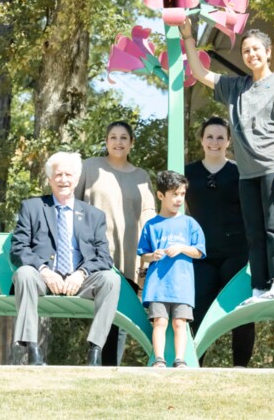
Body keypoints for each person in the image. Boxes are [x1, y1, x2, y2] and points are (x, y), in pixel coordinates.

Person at [180, 19, 274, 301]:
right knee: (254, 232)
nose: (251, 54)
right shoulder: (235, 87)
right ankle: (259, 287)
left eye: (256, 49)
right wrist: (188, 37)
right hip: (247, 174)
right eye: (247, 50)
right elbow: (200, 72)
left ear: (268, 52)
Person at [10, 151, 121, 367]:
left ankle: (95, 351)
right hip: (41, 278)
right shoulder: (32, 208)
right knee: (24, 273)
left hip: (79, 281)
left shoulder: (93, 215)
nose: (63, 180)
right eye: (58, 175)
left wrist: (81, 274)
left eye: (68, 175)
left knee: (111, 280)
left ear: (77, 179)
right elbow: (18, 249)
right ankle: (33, 350)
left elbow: (104, 257)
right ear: (50, 179)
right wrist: (43, 270)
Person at [75, 120, 156, 365]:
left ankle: (110, 367)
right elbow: (72, 205)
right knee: (98, 310)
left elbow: (148, 216)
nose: (118, 142)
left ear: (131, 143)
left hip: (128, 256)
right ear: (106, 141)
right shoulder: (90, 168)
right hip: (92, 255)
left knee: (120, 317)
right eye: (113, 137)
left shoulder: (142, 176)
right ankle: (94, 360)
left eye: (123, 138)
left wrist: (147, 262)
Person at [185, 116, 255, 367]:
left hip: (235, 252)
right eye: (210, 137)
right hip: (200, 254)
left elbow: (252, 211)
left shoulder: (239, 172)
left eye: (220, 137)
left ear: (228, 142)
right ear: (202, 140)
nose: (214, 142)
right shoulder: (187, 173)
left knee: (239, 310)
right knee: (198, 309)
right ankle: (194, 363)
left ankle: (240, 367)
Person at [137, 170, 206, 368]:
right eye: (174, 194)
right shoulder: (151, 225)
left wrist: (183, 248)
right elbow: (143, 253)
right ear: (161, 196)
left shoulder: (190, 223)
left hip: (182, 286)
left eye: (182, 194)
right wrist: (153, 256)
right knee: (159, 322)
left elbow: (200, 252)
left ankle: (180, 360)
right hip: (158, 286)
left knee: (179, 323)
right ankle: (159, 359)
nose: (178, 199)